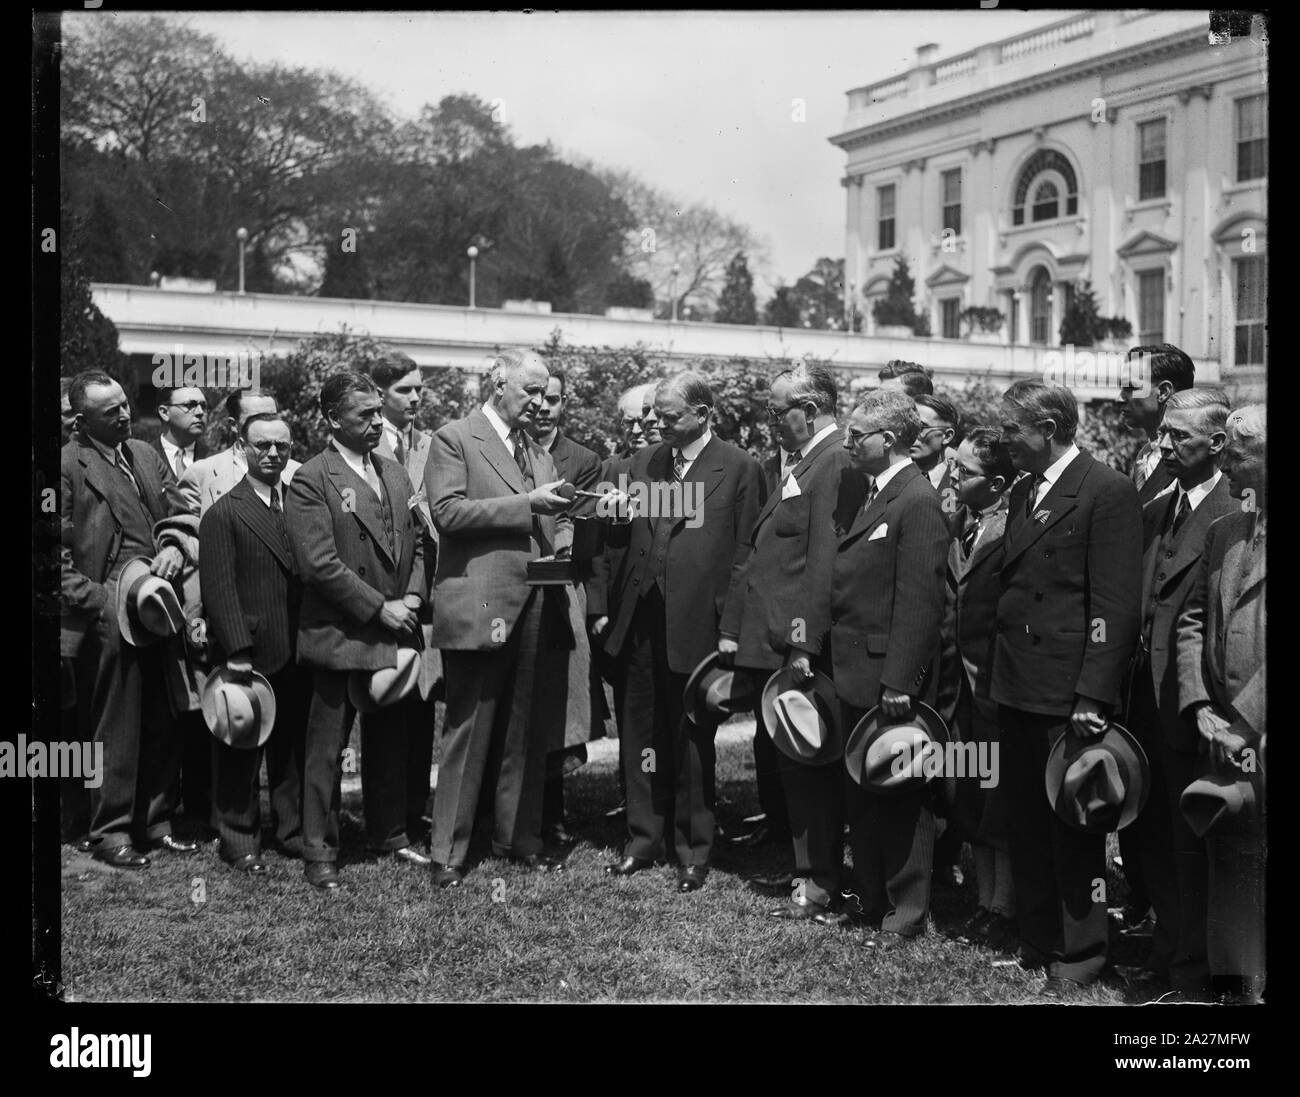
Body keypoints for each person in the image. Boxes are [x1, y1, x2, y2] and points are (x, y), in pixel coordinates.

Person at [991, 380, 1142, 997]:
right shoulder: (1027, 489)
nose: (1004, 441)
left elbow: (1113, 606)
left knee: (1075, 824)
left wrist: (1092, 694)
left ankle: (1083, 947)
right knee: (1025, 819)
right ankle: (1039, 935)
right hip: (1017, 685)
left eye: (1012, 430)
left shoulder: (1105, 491)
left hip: (1065, 693)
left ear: (1048, 428)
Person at [601, 371, 763, 893]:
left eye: (670, 417)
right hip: (640, 621)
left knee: (692, 738)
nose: (659, 425)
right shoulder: (644, 464)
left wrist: (732, 627)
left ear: (703, 414)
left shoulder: (739, 468)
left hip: (699, 626)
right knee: (639, 732)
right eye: (657, 415)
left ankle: (693, 848)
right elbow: (619, 538)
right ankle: (642, 839)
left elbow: (746, 555)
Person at [424, 349, 573, 887]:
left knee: (525, 729)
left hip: (536, 600)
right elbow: (446, 513)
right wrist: (527, 504)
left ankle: (519, 838)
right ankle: (448, 852)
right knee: (468, 729)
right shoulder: (454, 437)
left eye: (544, 393)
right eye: (529, 391)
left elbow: (555, 520)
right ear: (496, 382)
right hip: (480, 604)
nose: (539, 402)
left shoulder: (538, 451)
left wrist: (568, 537)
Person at [284, 372, 428, 889]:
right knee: (327, 747)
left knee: (390, 738)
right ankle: (319, 849)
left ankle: (390, 833)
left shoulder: (395, 473)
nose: (375, 422)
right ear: (331, 419)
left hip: (395, 629)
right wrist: (378, 609)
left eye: (376, 413)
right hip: (340, 633)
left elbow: (419, 544)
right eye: (363, 415)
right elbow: (317, 564)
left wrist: (411, 596)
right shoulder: (311, 478)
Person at [1119, 387, 1233, 1000]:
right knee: (1154, 834)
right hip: (1144, 696)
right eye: (1163, 433)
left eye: (1177, 438)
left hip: (1194, 703)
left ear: (1217, 444)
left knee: (1193, 843)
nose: (1163, 445)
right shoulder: (1160, 505)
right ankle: (1168, 956)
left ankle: (1196, 975)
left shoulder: (1233, 510)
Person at [60, 371, 197, 868]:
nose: (123, 415)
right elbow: (50, 556)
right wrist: (95, 603)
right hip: (105, 609)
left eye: (124, 404)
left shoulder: (143, 453)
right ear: (81, 420)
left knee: (165, 712)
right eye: (110, 411)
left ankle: (157, 822)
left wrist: (175, 548)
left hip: (160, 600)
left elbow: (182, 510)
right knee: (113, 725)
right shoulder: (65, 467)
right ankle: (111, 831)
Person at [720, 363, 854, 858]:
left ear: (811, 410)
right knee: (787, 756)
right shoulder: (807, 460)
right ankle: (803, 865)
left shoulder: (835, 460)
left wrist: (802, 642)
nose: (772, 421)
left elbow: (821, 563)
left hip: (795, 644)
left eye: (778, 413)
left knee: (805, 760)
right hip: (774, 637)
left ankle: (815, 875)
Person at [832, 389, 949, 943]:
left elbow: (922, 601)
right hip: (856, 669)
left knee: (901, 795)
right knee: (863, 789)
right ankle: (872, 897)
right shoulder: (871, 490)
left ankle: (905, 911)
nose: (850, 442)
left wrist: (901, 680)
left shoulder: (917, 499)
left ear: (893, 440)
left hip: (888, 676)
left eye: (859, 435)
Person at [1176, 404, 1266, 1004]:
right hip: (1221, 733)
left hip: (1253, 730)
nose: (1225, 461)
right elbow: (1189, 621)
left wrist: (1245, 720)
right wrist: (1199, 701)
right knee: (1232, 857)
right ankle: (1236, 987)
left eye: (1237, 452)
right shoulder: (1224, 530)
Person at [199, 413, 311, 873]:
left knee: (291, 749)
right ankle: (238, 837)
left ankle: (292, 831)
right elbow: (220, 588)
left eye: (281, 446)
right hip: (252, 652)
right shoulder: (225, 512)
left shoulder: (300, 507)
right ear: (241, 448)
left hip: (298, 648)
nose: (272, 454)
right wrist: (238, 651)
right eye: (262, 445)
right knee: (241, 746)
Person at [937, 427, 1016, 951]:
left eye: (964, 471)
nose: (953, 476)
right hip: (959, 685)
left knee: (999, 800)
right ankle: (985, 900)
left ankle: (1004, 904)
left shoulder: (1011, 527)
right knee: (971, 791)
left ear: (998, 483)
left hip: (994, 683)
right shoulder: (962, 521)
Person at [528, 369, 605, 846]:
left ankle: (552, 812)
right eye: (537, 399)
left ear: (563, 405)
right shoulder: (505, 450)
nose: (544, 409)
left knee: (556, 701)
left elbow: (583, 525)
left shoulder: (582, 459)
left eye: (553, 400)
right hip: (513, 586)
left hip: (560, 590)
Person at [371, 352, 440, 849]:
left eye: (419, 389)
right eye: (404, 391)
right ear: (378, 395)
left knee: (421, 708)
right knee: (383, 712)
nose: (415, 399)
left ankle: (414, 815)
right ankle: (385, 823)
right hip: (378, 595)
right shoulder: (364, 446)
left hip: (427, 595)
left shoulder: (434, 444)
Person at [178, 390, 300, 516]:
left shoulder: (298, 474)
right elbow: (187, 531)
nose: (265, 425)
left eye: (272, 417)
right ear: (233, 425)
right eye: (255, 419)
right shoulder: (200, 475)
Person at [1118, 343, 1196, 506]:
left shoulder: (1193, 458)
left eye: (1131, 388)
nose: (1120, 398)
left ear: (1163, 392)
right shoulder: (1145, 454)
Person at [151, 385, 210, 479]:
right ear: (164, 413)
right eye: (189, 405)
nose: (200, 412)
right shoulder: (143, 459)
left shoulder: (216, 459)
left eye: (203, 406)